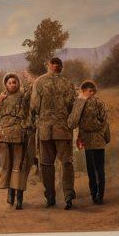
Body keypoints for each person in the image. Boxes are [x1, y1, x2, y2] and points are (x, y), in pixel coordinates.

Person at [30, 57, 77, 209]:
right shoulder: (68, 83)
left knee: (46, 164)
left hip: (45, 130)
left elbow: (35, 106)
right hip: (63, 129)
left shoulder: (39, 82)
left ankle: (50, 196)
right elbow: (72, 105)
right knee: (66, 162)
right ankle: (68, 195)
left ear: (49, 65)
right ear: (61, 67)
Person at [69, 80, 111, 204]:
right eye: (87, 90)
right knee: (91, 169)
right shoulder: (79, 103)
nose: (90, 93)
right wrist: (79, 137)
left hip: (98, 140)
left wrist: (101, 135)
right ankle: (94, 193)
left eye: (92, 90)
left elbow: (104, 121)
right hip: (86, 139)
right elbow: (75, 122)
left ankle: (100, 195)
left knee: (99, 168)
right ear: (83, 91)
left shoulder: (99, 103)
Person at [0, 73, 33, 210]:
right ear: (5, 84)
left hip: (19, 135)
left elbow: (32, 89)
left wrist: (28, 78)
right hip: (5, 136)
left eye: (15, 82)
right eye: (10, 82)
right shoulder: (2, 98)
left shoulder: (23, 96)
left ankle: (19, 199)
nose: (12, 84)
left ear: (18, 83)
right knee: (8, 165)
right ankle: (10, 194)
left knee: (19, 165)